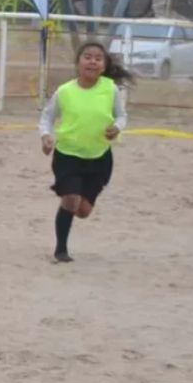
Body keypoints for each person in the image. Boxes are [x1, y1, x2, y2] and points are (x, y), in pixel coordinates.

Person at [39, 42, 131, 263]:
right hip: (67, 155)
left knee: (83, 211)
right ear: (78, 63)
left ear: (104, 65)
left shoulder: (110, 90)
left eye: (98, 58)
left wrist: (116, 128)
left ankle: (70, 201)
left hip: (99, 158)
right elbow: (47, 117)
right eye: (87, 56)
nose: (92, 61)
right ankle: (61, 250)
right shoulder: (65, 91)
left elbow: (122, 116)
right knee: (71, 198)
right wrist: (45, 136)